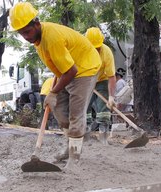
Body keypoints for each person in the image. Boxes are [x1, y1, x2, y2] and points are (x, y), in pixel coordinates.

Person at [10, 2, 101, 168]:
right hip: (68, 69)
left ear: (37, 24)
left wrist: (52, 92)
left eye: (27, 32)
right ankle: (69, 145)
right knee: (59, 110)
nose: (26, 37)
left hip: (85, 68)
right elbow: (60, 65)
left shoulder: (51, 38)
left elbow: (71, 71)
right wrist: (55, 91)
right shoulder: (38, 40)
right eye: (21, 34)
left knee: (76, 114)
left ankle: (74, 157)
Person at [85, 27, 116, 145]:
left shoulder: (106, 52)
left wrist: (111, 97)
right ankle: (85, 134)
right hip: (86, 80)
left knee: (104, 108)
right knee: (84, 107)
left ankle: (103, 136)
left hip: (102, 80)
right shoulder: (81, 51)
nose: (96, 50)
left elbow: (111, 76)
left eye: (97, 48)